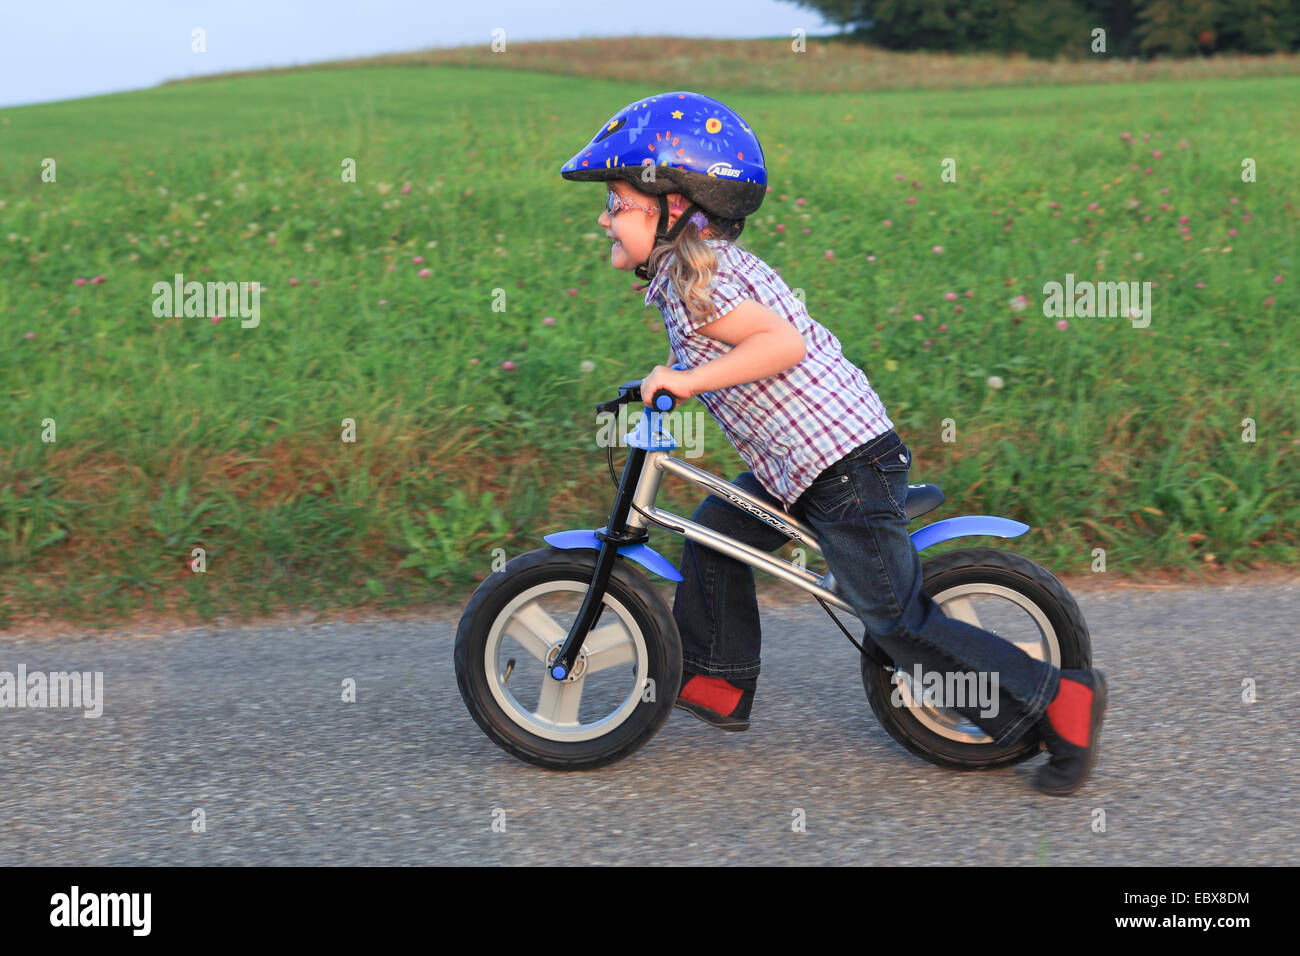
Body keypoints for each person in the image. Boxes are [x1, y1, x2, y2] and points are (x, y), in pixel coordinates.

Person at [559, 91, 1107, 795]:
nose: (604, 217)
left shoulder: (707, 283)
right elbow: (742, 346)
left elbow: (779, 345)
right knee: (716, 536)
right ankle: (716, 680)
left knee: (893, 620)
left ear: (675, 208)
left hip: (844, 470)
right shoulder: (689, 276)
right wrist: (664, 380)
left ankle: (1062, 699)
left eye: (617, 202)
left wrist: (689, 383)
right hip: (800, 468)